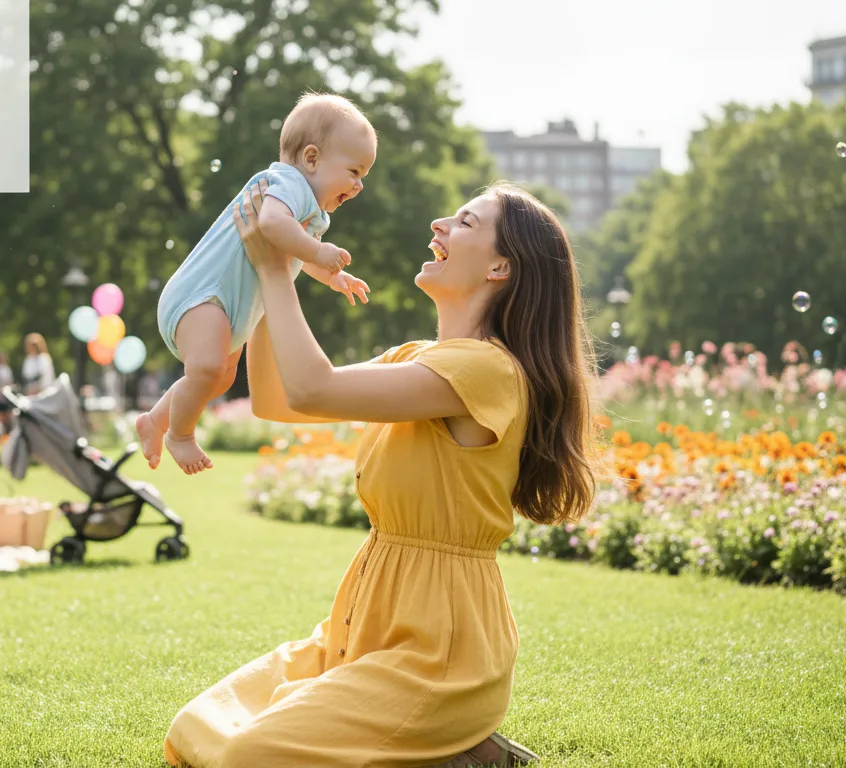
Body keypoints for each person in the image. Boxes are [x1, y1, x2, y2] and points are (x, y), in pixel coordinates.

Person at [162, 182, 599, 767]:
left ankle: (454, 745)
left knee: (247, 758)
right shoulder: (415, 356)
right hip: (361, 629)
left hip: (438, 653)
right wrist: (278, 270)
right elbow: (277, 398)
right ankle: (439, 753)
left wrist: (272, 269)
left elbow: (314, 387)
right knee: (195, 730)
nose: (441, 223)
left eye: (466, 222)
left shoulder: (488, 369)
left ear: (501, 266)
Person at [137, 93, 374, 476]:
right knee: (210, 369)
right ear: (311, 159)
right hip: (202, 297)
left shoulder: (308, 211)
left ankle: (155, 421)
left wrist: (331, 274)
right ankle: (179, 435)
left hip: (227, 311)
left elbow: (290, 253)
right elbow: (271, 227)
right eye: (354, 172)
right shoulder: (287, 183)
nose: (360, 185)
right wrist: (318, 252)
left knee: (220, 376)